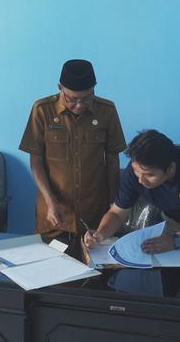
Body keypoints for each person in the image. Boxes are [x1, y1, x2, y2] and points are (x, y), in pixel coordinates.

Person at [84, 130, 180, 263]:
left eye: (149, 175)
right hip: (176, 220)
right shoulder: (135, 172)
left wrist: (175, 241)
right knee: (175, 274)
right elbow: (117, 213)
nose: (140, 180)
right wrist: (101, 233)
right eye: (136, 172)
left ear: (171, 168)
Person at [19, 59, 126, 243]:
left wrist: (113, 205)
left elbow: (112, 160)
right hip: (54, 216)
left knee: (96, 269)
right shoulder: (42, 110)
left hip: (95, 216)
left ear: (94, 88)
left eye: (86, 98)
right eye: (72, 99)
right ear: (60, 87)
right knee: (52, 269)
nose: (79, 105)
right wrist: (50, 201)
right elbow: (36, 161)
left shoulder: (107, 111)